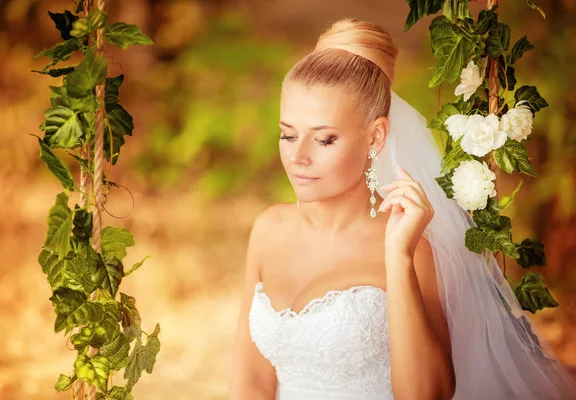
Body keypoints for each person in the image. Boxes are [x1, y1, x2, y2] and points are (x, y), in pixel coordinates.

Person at [229, 18, 576, 400]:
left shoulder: (414, 249)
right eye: (288, 134)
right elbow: (251, 380)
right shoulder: (268, 229)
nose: (298, 156)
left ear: (375, 136)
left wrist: (398, 257)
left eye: (324, 139)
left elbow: (427, 395)